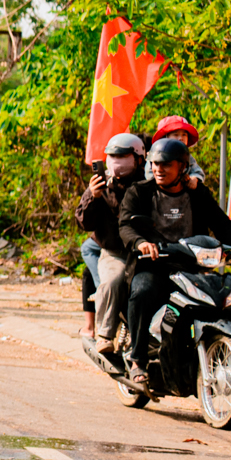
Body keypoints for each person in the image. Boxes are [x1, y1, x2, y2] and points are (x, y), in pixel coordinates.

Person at [119, 136, 231, 415]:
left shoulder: (197, 194)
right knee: (142, 292)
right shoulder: (139, 192)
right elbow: (126, 226)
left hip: (191, 269)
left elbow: (221, 224)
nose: (159, 169)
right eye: (156, 164)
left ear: (182, 167)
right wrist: (140, 243)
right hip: (154, 266)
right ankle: (137, 360)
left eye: (167, 164)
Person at [80, 132, 145, 349]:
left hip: (147, 252)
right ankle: (105, 334)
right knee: (112, 281)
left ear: (139, 158)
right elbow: (84, 222)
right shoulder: (102, 186)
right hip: (115, 252)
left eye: (123, 157)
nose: (117, 163)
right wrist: (93, 195)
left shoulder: (149, 184)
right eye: (113, 157)